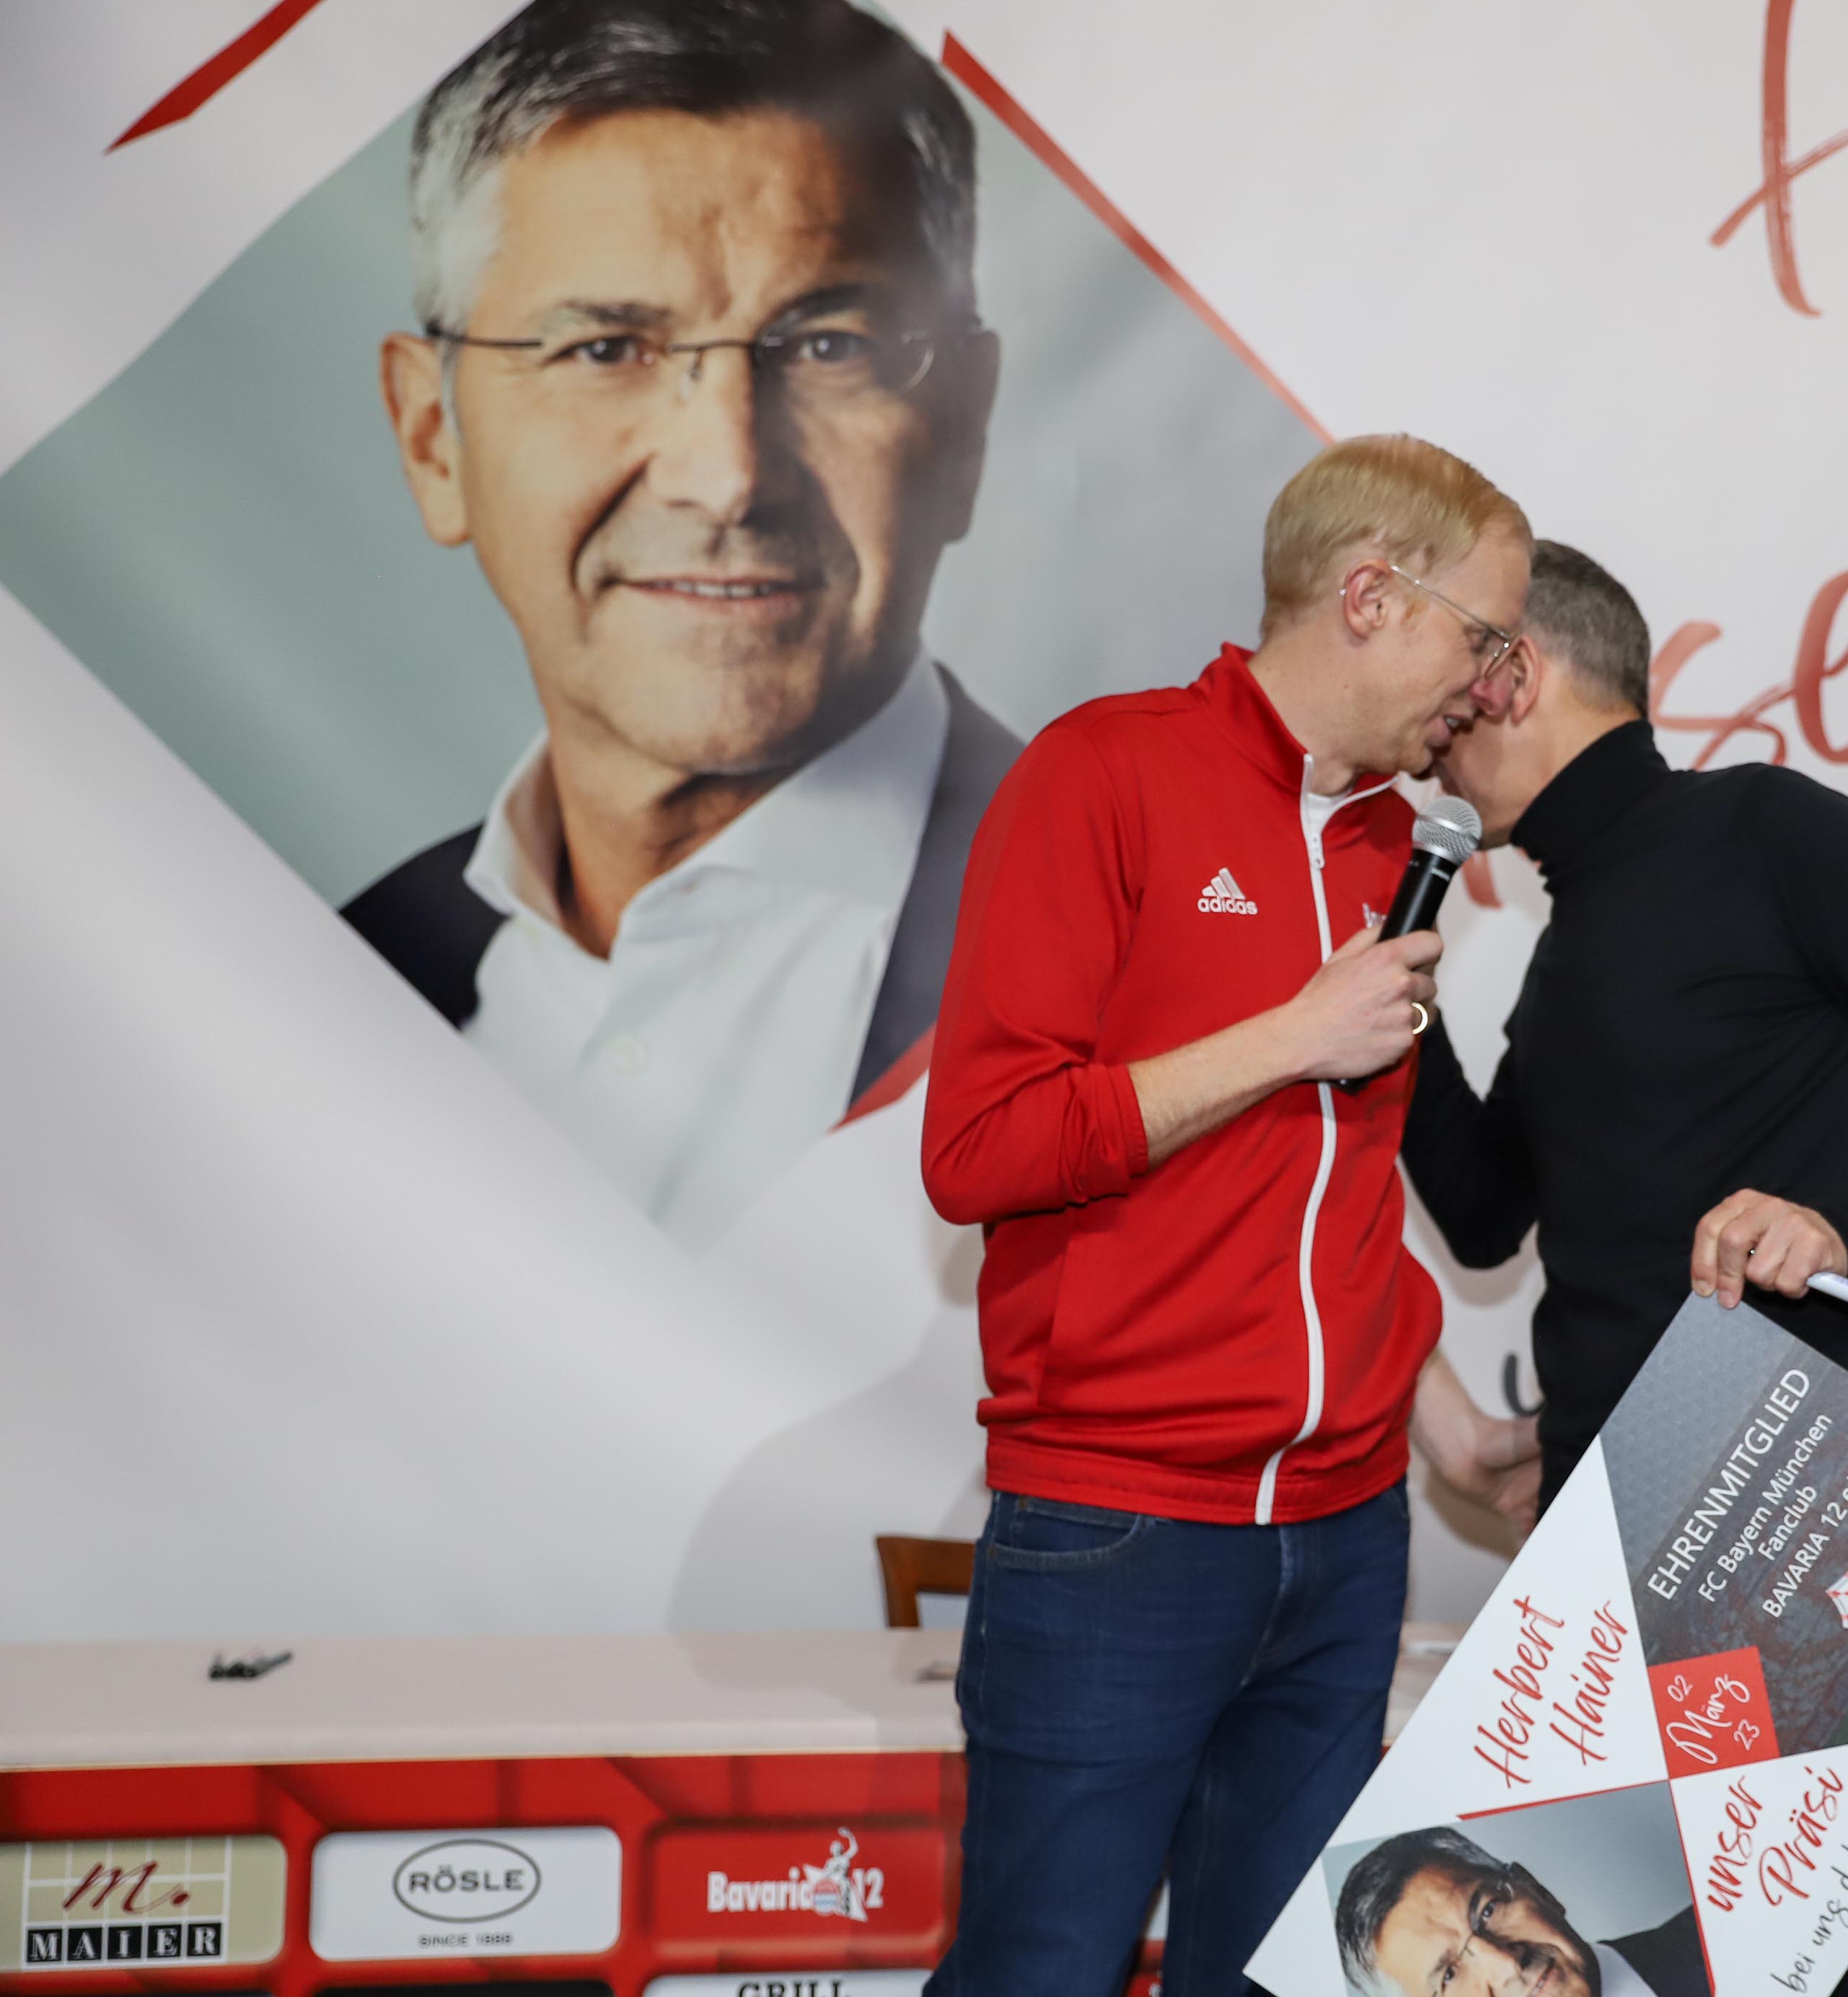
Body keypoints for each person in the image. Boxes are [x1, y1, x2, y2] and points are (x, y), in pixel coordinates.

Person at [1403, 541, 1848, 1993]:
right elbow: (1480, 1216)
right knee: (1659, 1968)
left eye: (1447, 684)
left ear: (1516, 672)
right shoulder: (1565, 932)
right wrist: (1386, 984)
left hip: (1803, 1492)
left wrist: (1843, 1219)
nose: (1423, 730)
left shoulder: (1768, 830)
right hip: (1611, 1522)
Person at [918, 435, 1544, 1996]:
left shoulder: (1400, 843)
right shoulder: (1103, 775)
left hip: (1347, 1534)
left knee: (1281, 1980)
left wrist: (1448, 1424)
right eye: (1482, 636)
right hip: (1125, 1528)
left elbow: (1320, 1196)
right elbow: (981, 1148)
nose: (1491, 684)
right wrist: (1290, 1033)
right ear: (1370, 596)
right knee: (1038, 1974)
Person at [347, 0, 1016, 1251]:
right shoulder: (331, 982)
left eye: (828, 346)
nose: (727, 475)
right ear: (432, 438)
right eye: (607, 349)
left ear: (966, 431)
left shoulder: (1181, 982)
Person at [1334, 1826, 1708, 1997]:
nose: (1507, 1965)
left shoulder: (1726, 1935)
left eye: (1488, 1911)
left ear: (1537, 1888)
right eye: (1449, 1976)